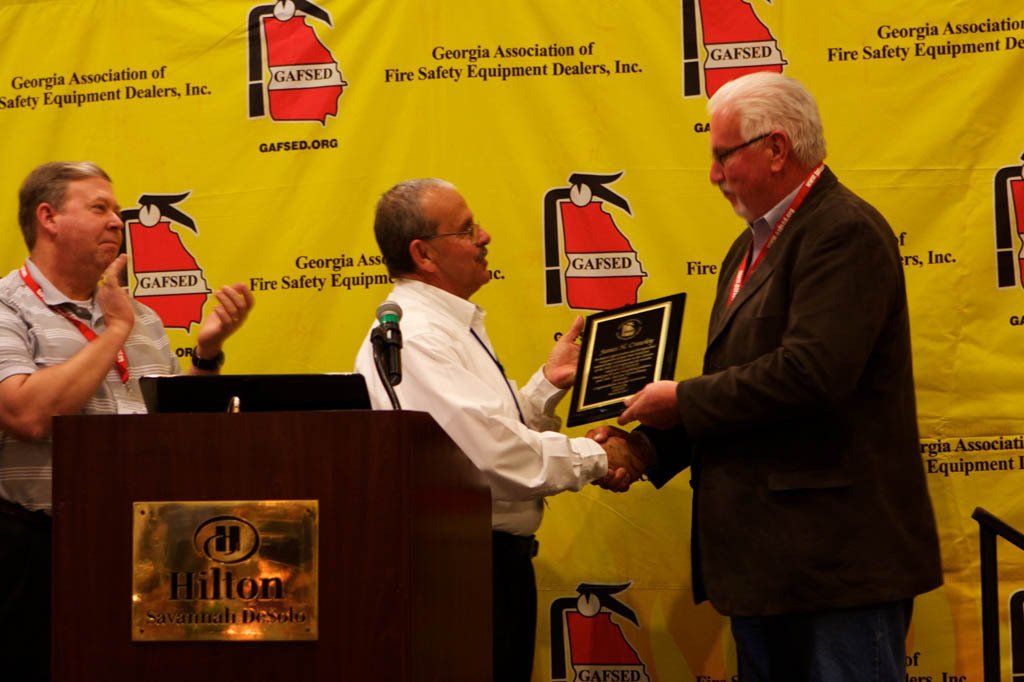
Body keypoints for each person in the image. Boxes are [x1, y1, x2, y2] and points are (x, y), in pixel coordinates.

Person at [592, 73, 943, 680]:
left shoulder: (843, 231)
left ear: (776, 148)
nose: (713, 174)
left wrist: (680, 400)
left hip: (835, 566)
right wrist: (647, 446)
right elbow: (737, 389)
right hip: (768, 566)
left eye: (722, 155)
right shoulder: (745, 248)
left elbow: (812, 374)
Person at [353, 178, 634, 682]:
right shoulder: (415, 337)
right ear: (424, 255)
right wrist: (598, 458)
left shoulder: (446, 327)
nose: (486, 237)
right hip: (465, 574)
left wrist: (547, 386)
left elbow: (486, 430)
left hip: (487, 569)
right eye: (466, 229)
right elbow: (489, 459)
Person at [0, 161, 254, 681]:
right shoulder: (8, 308)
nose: (118, 221)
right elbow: (25, 415)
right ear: (48, 218)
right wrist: (114, 331)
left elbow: (170, 428)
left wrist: (206, 357)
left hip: (143, 549)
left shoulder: (143, 318)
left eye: (116, 210)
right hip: (39, 555)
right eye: (100, 208)